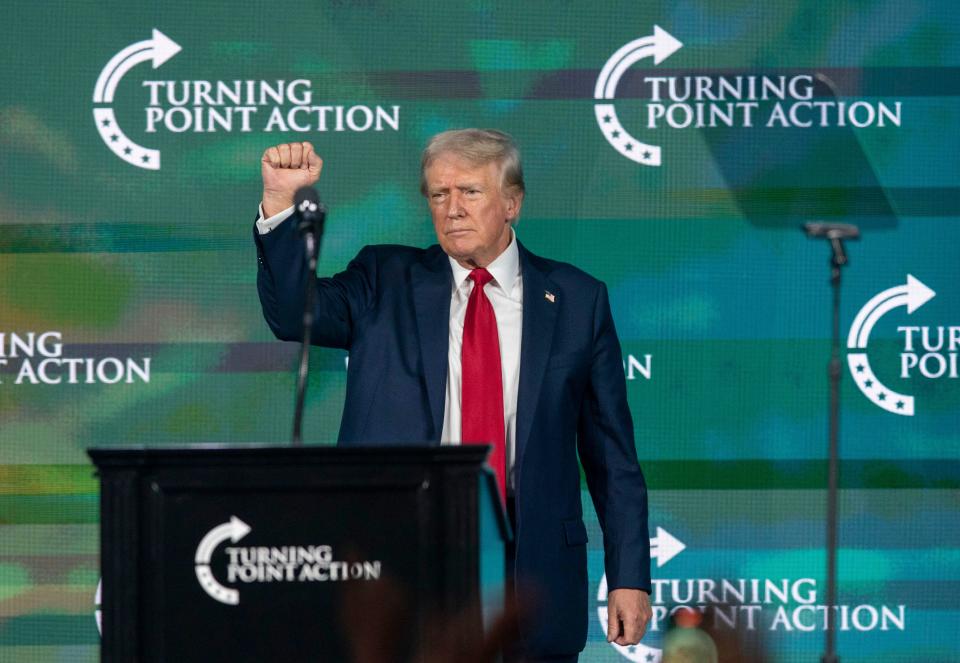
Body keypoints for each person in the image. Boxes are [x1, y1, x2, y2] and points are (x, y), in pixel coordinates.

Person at [253, 129, 651, 661]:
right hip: (397, 569)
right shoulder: (383, 280)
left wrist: (628, 576)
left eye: (470, 192)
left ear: (512, 202)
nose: (453, 209)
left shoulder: (578, 300)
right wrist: (281, 204)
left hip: (529, 575)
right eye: (439, 195)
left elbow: (611, 458)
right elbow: (292, 314)